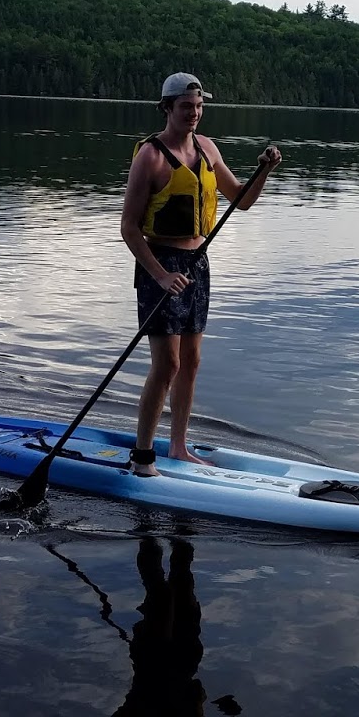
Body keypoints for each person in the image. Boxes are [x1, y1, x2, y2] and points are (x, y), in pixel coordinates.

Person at [119, 72, 281, 477]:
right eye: (186, 106)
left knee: (191, 362)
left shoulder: (208, 149)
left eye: (199, 105)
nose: (194, 113)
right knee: (167, 364)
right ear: (168, 108)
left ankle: (178, 446)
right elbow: (128, 227)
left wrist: (264, 170)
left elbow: (241, 201)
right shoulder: (150, 157)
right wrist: (158, 275)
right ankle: (143, 456)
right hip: (161, 264)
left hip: (198, 264)